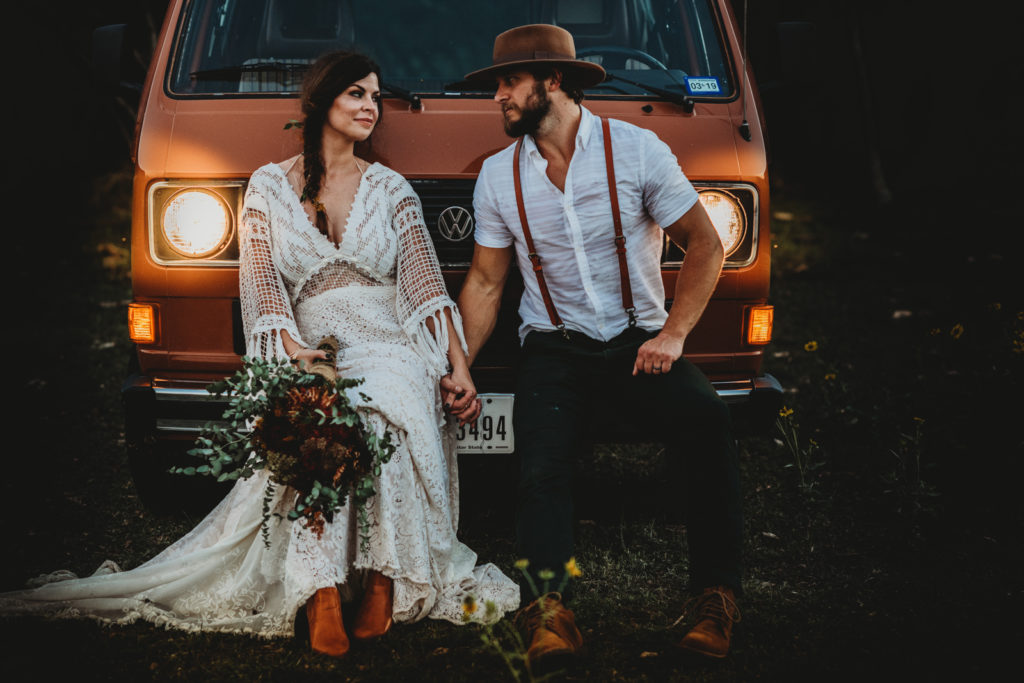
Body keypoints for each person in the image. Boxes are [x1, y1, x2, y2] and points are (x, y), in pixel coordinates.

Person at [0, 51, 518, 658]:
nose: (370, 108)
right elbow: (262, 288)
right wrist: (294, 350)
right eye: (356, 94)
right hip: (313, 339)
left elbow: (427, 289)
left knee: (390, 402)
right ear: (322, 102)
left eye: (375, 97)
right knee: (317, 412)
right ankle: (320, 589)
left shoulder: (393, 190)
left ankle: (385, 578)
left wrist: (457, 367)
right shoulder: (268, 188)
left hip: (387, 337)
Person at [458, 25, 744, 669]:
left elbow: (706, 243)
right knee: (540, 466)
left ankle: (713, 599)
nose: (498, 96)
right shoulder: (500, 175)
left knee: (707, 419)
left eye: (508, 83)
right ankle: (549, 613)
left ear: (552, 82)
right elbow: (484, 281)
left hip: (639, 343)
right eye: (497, 85)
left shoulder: (638, 150)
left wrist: (673, 335)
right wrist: (458, 367)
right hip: (554, 350)